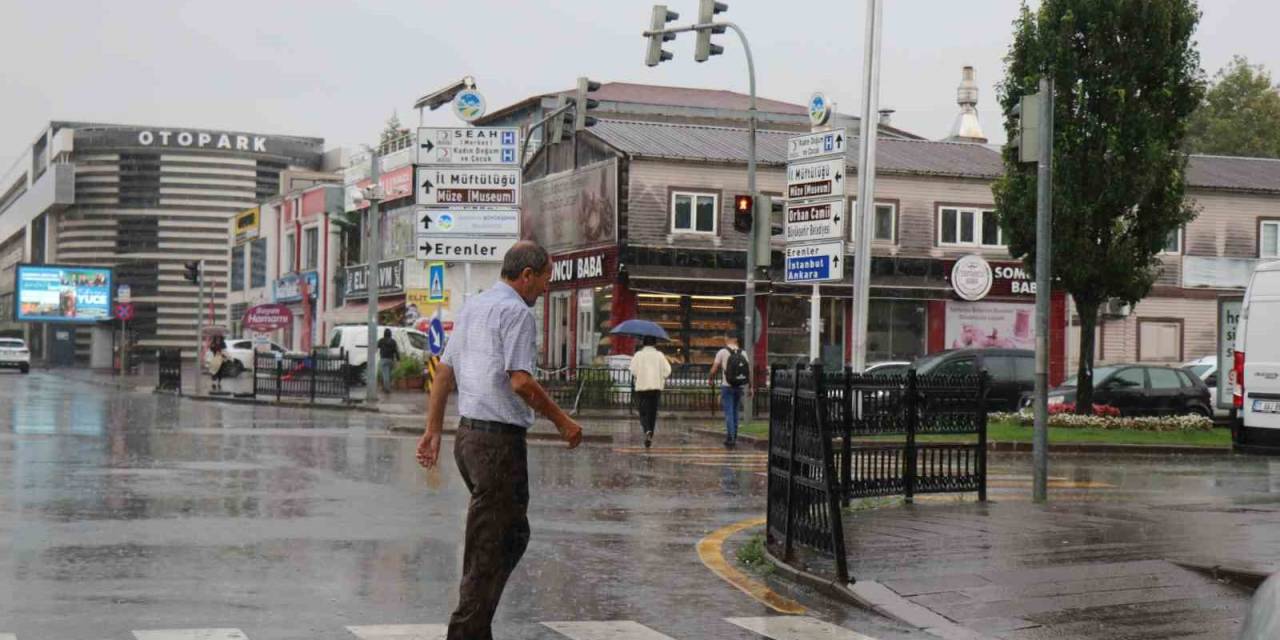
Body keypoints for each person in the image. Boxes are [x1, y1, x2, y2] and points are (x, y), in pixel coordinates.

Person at [415, 241, 583, 640]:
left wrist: (434, 430)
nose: (546, 288)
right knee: (489, 549)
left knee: (507, 537)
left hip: (469, 439)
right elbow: (520, 380)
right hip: (497, 446)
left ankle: (476, 625)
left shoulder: (474, 306)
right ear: (527, 275)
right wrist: (563, 422)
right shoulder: (517, 314)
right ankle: (466, 632)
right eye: (545, 279)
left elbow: (443, 374)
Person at [629, 335, 672, 449]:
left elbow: (633, 370)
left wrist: (640, 375)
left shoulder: (638, 355)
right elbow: (667, 371)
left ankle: (646, 430)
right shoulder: (659, 355)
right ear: (655, 343)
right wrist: (659, 376)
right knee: (652, 412)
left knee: (643, 412)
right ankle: (650, 433)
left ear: (643, 343)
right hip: (656, 387)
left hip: (642, 388)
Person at [708, 334, 749, 448]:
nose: (725, 339)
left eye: (726, 337)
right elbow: (747, 371)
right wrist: (750, 387)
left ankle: (730, 437)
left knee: (729, 412)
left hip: (727, 386)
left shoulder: (722, 352)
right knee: (735, 412)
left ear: (731, 339)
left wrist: (710, 378)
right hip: (739, 386)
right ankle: (734, 435)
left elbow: (714, 368)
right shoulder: (743, 353)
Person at [377, 328, 399, 394]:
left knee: (385, 374)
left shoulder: (381, 340)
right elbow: (396, 351)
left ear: (384, 334)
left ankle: (387, 389)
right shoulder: (393, 341)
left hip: (383, 359)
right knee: (388, 374)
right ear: (390, 334)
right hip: (391, 360)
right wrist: (398, 360)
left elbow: (377, 346)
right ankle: (386, 387)